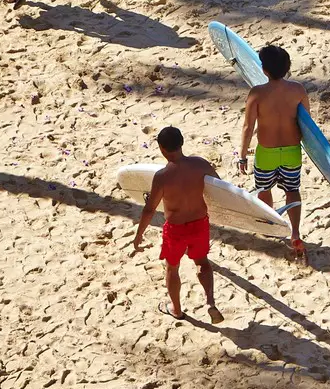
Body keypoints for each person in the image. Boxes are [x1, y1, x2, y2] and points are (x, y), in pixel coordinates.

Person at [131, 126, 224, 322]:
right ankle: (210, 302)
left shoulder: (162, 176)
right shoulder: (200, 164)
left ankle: (176, 309)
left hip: (176, 230)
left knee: (172, 268)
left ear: (161, 149)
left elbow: (149, 209)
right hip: (200, 224)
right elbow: (221, 190)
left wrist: (139, 235)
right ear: (182, 143)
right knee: (202, 262)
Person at [238, 43, 309, 259]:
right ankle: (295, 231)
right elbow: (306, 123)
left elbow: (248, 127)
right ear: (287, 68)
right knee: (292, 190)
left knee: (264, 189)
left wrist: (242, 155)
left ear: (264, 69)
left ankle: (271, 225)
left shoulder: (257, 93)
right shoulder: (298, 90)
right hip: (291, 151)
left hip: (266, 152)